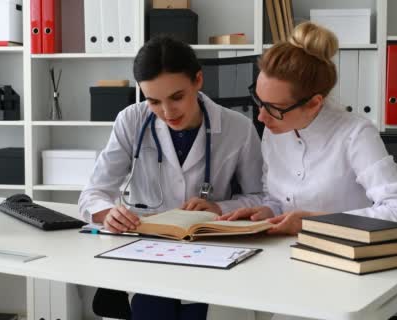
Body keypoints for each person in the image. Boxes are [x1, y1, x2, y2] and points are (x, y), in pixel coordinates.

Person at [78, 36, 263, 320]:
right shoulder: (131, 121)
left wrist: (219, 208)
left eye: (177, 97)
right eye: (154, 101)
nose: (167, 112)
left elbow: (260, 198)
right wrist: (107, 213)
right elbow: (93, 193)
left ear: (198, 80)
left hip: (210, 251)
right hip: (146, 251)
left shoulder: (238, 127)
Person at [220, 22, 397, 235]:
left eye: (275, 108)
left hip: (346, 257)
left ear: (314, 103)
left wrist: (313, 222)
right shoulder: (274, 130)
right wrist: (267, 212)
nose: (261, 116)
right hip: (287, 253)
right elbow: (279, 201)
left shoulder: (355, 134)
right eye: (259, 100)